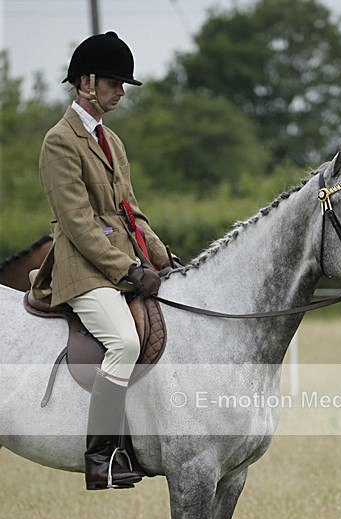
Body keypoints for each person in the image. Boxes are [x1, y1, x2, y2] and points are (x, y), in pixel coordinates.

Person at [32, 31, 175, 491]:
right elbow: (78, 222)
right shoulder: (60, 141)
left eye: (121, 85)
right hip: (82, 268)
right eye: (114, 83)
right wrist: (127, 269)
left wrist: (162, 258)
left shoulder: (111, 139)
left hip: (120, 262)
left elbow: (130, 212)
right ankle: (101, 457)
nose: (121, 93)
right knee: (125, 343)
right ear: (86, 82)